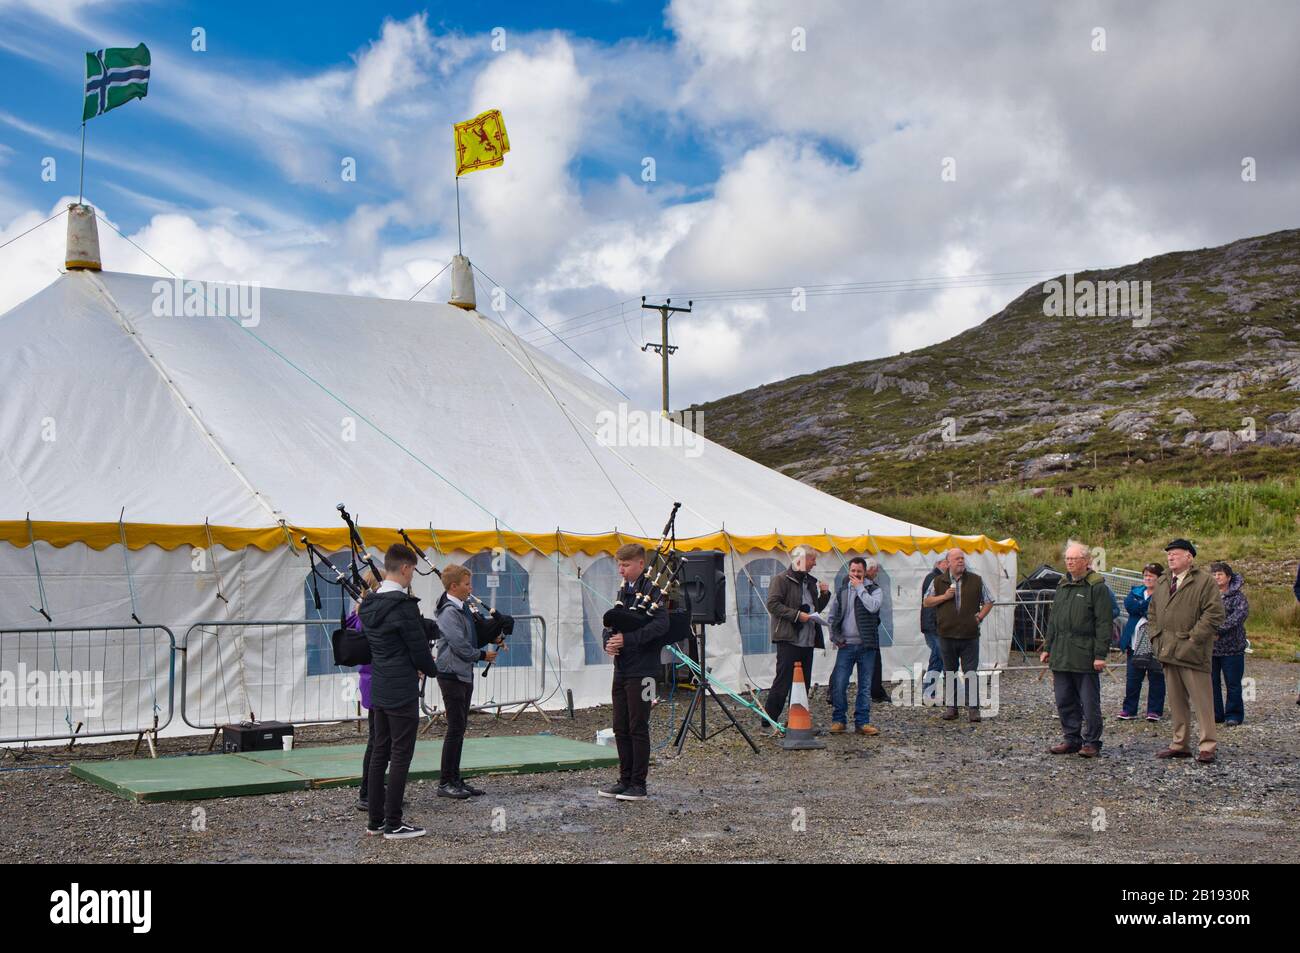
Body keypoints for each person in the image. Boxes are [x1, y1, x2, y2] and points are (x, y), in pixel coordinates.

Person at [360, 544, 439, 839]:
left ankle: (375, 821)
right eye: (413, 570)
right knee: (401, 754)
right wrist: (430, 669)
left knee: (380, 751)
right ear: (405, 568)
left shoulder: (368, 604)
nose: (412, 577)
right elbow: (418, 648)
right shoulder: (404, 606)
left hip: (380, 685)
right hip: (402, 687)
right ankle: (394, 822)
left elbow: (387, 646)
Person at [599, 543, 670, 801]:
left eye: (626, 565)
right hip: (623, 668)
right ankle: (624, 779)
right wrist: (609, 641)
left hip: (645, 670)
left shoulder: (653, 592)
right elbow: (612, 623)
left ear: (641, 564)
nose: (621, 570)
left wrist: (628, 640)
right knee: (620, 726)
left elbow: (662, 626)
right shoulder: (625, 593)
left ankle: (638, 784)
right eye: (619, 565)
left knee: (638, 725)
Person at [1148, 539, 1225, 764]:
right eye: (1169, 554)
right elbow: (1152, 612)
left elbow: (1214, 613)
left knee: (1202, 702)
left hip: (1192, 652)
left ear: (1189, 557)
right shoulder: (1163, 582)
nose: (1170, 557)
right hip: (1168, 650)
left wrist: (1193, 638)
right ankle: (1180, 743)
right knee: (1176, 701)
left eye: (1176, 554)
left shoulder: (1204, 582)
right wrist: (1155, 635)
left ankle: (1207, 745)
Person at [1041, 542, 1113, 757]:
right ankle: (1071, 738)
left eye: (1074, 558)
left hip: (1085, 653)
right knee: (1064, 698)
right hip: (1061, 652)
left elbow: (1104, 623)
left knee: (1089, 701)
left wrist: (1100, 654)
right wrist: (1048, 646)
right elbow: (1054, 619)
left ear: (1086, 561)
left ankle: (1092, 741)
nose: (1070, 562)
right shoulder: (1062, 585)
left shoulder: (1097, 587)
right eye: (1067, 559)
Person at [434, 563, 497, 800]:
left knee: (459, 728)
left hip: (462, 672)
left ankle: (455, 778)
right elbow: (459, 644)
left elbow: (473, 635)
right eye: (467, 584)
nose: (471, 588)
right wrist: (481, 655)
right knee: (455, 728)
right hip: (451, 673)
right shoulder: (449, 612)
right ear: (454, 586)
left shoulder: (462, 608)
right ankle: (445, 781)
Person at [763, 545, 831, 730]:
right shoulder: (781, 580)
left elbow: (814, 608)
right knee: (783, 681)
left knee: (804, 683)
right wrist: (796, 615)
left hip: (808, 640)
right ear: (802, 559)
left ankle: (796, 719)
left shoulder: (810, 582)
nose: (815, 563)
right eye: (812, 559)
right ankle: (768, 718)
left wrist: (825, 595)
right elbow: (772, 604)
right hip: (789, 638)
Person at [921, 547, 993, 722]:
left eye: (962, 558)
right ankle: (952, 708)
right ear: (948, 563)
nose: (961, 561)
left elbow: (989, 601)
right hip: (946, 635)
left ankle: (973, 708)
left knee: (970, 672)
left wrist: (980, 617)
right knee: (949, 672)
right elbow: (927, 601)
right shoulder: (938, 581)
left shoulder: (976, 580)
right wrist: (944, 597)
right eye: (956, 559)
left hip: (970, 635)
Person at [826, 556, 883, 735]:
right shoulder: (842, 590)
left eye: (859, 571)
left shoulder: (874, 590)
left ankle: (862, 722)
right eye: (853, 571)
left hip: (867, 645)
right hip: (846, 645)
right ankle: (839, 720)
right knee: (840, 683)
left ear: (864, 572)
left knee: (864, 686)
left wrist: (860, 589)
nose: (855, 574)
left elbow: (873, 607)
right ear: (848, 571)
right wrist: (834, 637)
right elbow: (832, 616)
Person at [346, 568, 381, 813]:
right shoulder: (367, 617)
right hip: (376, 679)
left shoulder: (359, 615)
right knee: (378, 740)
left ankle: (373, 789)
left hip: (372, 679)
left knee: (379, 739)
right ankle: (368, 792)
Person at [1118, 564, 1165, 722]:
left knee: (1156, 677)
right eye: (1145, 575)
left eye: (1152, 575)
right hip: (1134, 642)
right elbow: (1129, 606)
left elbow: (1156, 612)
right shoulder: (1136, 591)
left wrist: (1141, 607)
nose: (1148, 578)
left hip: (1155, 643)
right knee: (1133, 678)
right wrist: (1145, 607)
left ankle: (1154, 710)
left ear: (1159, 578)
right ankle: (1129, 709)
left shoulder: (1164, 594)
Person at [1210, 561, 1249, 726]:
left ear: (1228, 577)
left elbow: (1239, 616)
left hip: (1233, 647)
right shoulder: (1208, 594)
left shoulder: (1238, 596)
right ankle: (1215, 714)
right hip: (1211, 648)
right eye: (1214, 574)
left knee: (1233, 683)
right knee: (1212, 683)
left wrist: (1218, 630)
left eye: (1220, 574)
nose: (1217, 577)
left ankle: (1234, 714)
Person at [919, 556, 948, 701]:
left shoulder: (936, 577)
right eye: (946, 563)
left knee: (938, 658)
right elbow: (930, 604)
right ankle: (929, 693)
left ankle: (930, 692)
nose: (948, 565)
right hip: (933, 625)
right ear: (939, 563)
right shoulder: (934, 578)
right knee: (939, 658)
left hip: (934, 625)